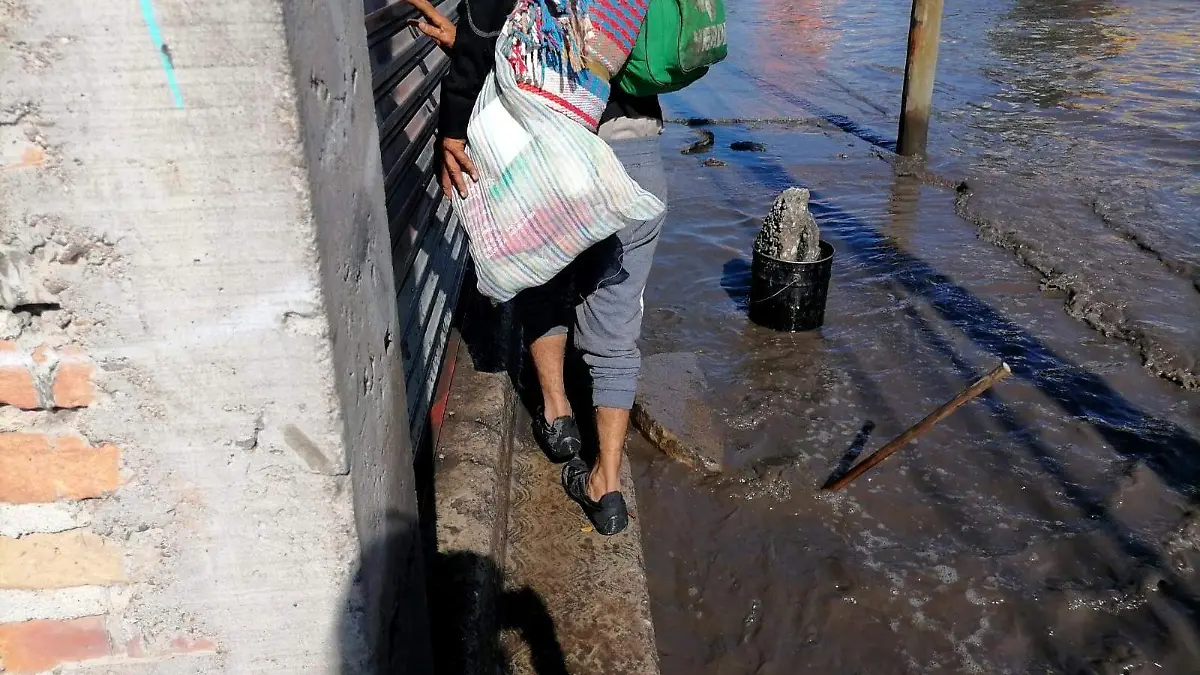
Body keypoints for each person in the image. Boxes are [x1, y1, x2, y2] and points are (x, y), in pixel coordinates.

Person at [412, 0, 666, 536]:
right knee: (617, 324)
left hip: (549, 154)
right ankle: (608, 485)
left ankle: (557, 416)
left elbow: (501, 46)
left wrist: (453, 127)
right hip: (634, 151)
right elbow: (593, 52)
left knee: (539, 274)